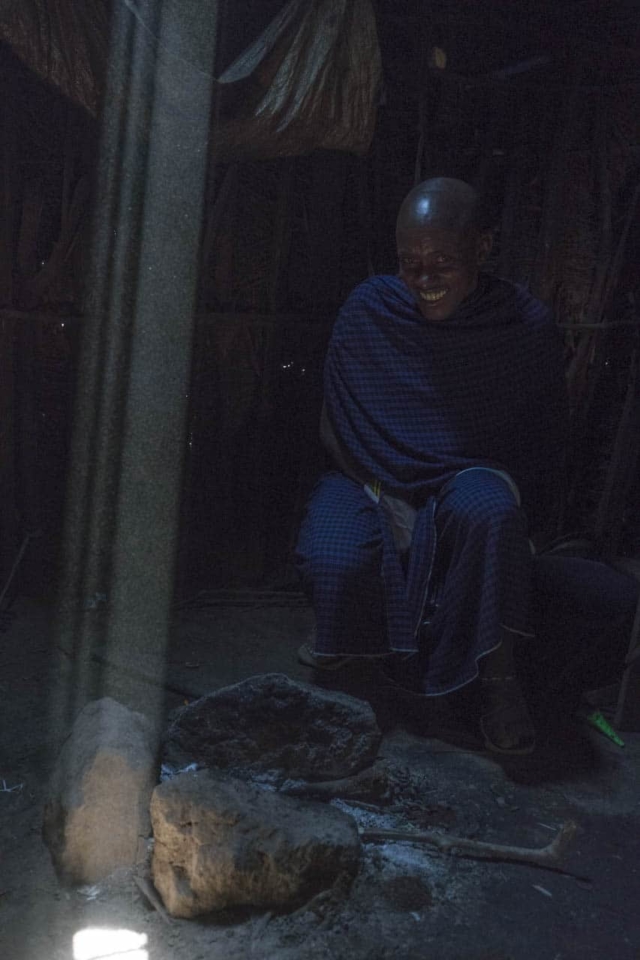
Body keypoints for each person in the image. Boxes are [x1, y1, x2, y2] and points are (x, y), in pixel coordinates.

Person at [295, 177, 569, 756]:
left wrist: (481, 508)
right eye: (410, 263)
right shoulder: (371, 310)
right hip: (372, 474)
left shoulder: (522, 325)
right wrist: (382, 489)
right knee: (336, 552)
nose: (424, 279)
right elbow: (333, 424)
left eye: (443, 262)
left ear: (482, 248)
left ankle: (497, 682)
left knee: (491, 514)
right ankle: (354, 653)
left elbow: (538, 444)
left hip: (465, 475)